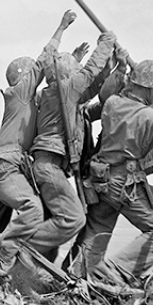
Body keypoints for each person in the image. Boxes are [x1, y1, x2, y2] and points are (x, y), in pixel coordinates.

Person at [68, 59, 153, 282]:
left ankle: (75, 277)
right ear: (151, 90)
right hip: (124, 184)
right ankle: (111, 273)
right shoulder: (151, 118)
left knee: (97, 232)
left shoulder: (113, 103)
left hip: (100, 179)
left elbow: (148, 139)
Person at [0, 10, 77, 277]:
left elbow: (58, 89)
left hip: (2, 165)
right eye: (32, 74)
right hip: (7, 165)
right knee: (32, 209)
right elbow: (43, 62)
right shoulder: (19, 93)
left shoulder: (26, 102)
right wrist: (61, 28)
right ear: (24, 76)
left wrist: (73, 62)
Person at [27, 28, 118, 256]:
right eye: (75, 70)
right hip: (50, 166)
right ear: (69, 75)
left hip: (50, 166)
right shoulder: (65, 90)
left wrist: (111, 67)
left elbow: (93, 86)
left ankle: (32, 271)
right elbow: (90, 72)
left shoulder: (55, 94)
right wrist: (106, 42)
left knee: (53, 232)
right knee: (73, 218)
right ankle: (19, 248)